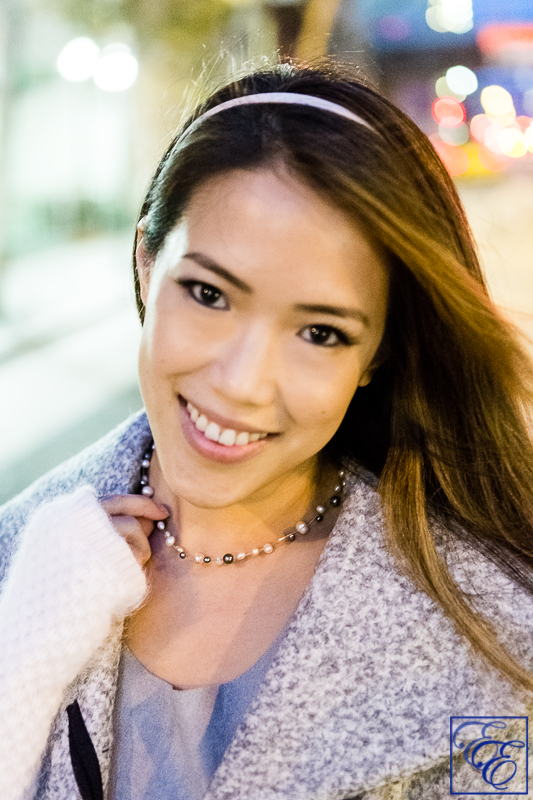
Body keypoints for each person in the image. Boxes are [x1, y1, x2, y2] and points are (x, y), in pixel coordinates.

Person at [1, 60, 533, 800]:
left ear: (377, 351)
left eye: (319, 333)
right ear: (146, 260)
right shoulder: (20, 562)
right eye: (209, 293)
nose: (242, 382)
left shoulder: (493, 641)